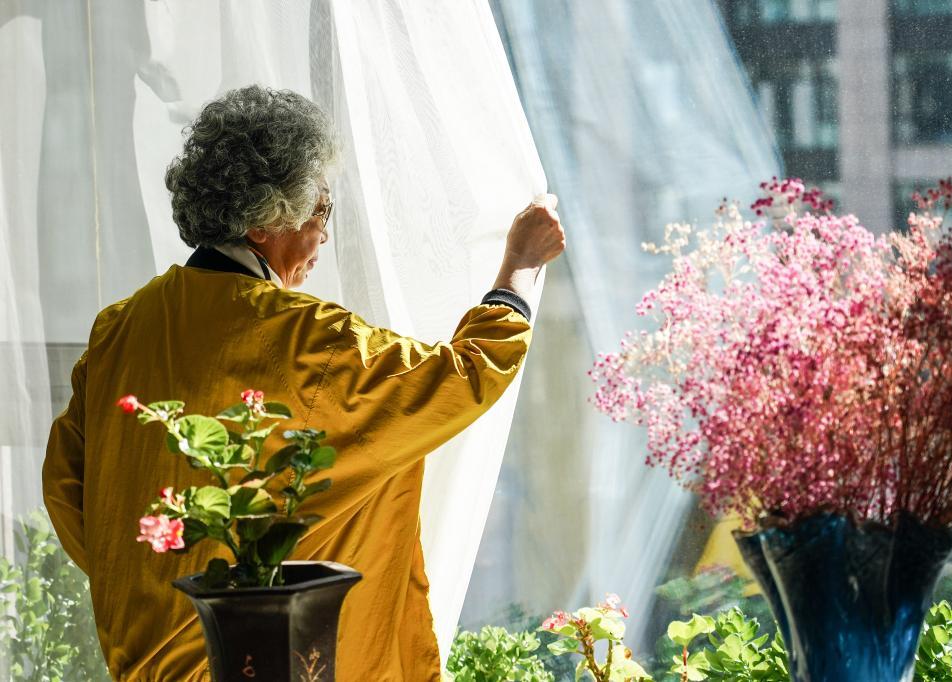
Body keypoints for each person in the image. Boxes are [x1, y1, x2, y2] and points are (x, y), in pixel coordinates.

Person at [41, 85, 564, 681]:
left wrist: (147, 583)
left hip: (138, 659)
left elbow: (67, 489)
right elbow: (464, 375)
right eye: (322, 211)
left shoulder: (117, 331)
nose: (324, 236)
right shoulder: (306, 340)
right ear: (269, 219)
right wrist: (520, 266)